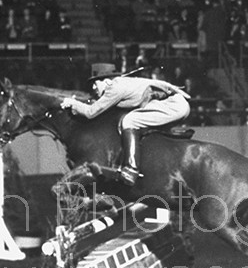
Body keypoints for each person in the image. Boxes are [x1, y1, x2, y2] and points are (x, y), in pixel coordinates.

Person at [60, 64, 191, 186]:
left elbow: (91, 112)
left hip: (174, 106)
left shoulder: (114, 89)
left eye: (95, 84)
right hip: (175, 104)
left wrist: (73, 103)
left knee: (130, 120)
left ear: (106, 81)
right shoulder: (119, 85)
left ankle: (131, 170)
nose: (93, 88)